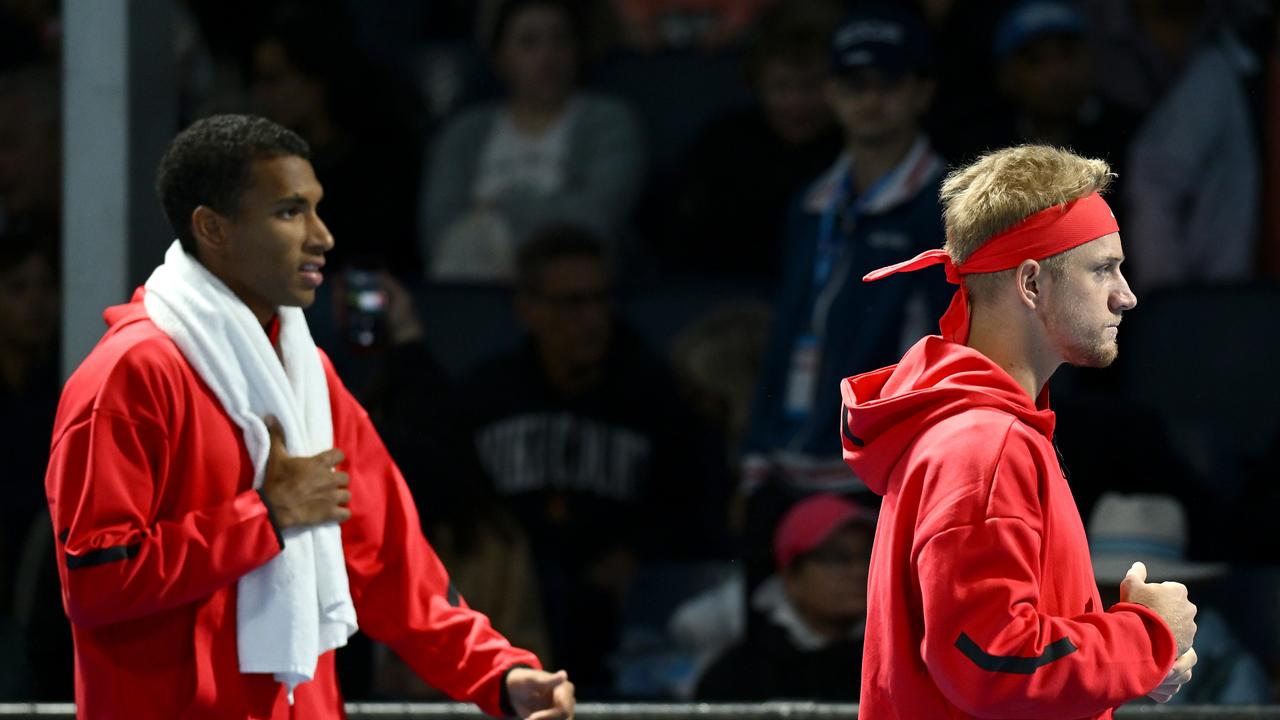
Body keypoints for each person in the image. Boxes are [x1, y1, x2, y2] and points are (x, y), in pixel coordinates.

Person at [44, 114, 575, 719]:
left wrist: (497, 672)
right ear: (213, 228)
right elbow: (94, 582)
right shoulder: (132, 373)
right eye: (290, 212)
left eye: (316, 209)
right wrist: (264, 517)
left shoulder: (307, 371)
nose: (321, 235)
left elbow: (390, 563)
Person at [841, 144, 1198, 718]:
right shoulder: (983, 445)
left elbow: (997, 658)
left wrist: (1123, 672)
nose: (1126, 295)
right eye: (1103, 267)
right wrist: (1146, 636)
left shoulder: (974, 431)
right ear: (1031, 283)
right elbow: (992, 661)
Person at [462, 222, 729, 693]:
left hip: (621, 620)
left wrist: (638, 557)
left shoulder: (657, 397)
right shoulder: (487, 395)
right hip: (511, 610)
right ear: (527, 308)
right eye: (571, 304)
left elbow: (699, 510)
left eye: (600, 300)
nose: (591, 319)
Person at [420, 0, 645, 281]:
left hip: (572, 284)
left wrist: (496, 214)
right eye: (529, 42)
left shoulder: (609, 121)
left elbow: (597, 218)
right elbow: (439, 235)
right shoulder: (464, 131)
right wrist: (557, 210)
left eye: (560, 40)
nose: (547, 56)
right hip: (476, 281)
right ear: (500, 57)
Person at [1087, 492, 1271, 705]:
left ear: (1175, 591)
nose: (1119, 607)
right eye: (1105, 590)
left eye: (1138, 594)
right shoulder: (1082, 654)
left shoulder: (1228, 671)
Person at [695, 493, 872, 702]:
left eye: (868, 555)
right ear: (791, 577)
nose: (859, 571)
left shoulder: (898, 662)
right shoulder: (737, 678)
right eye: (836, 558)